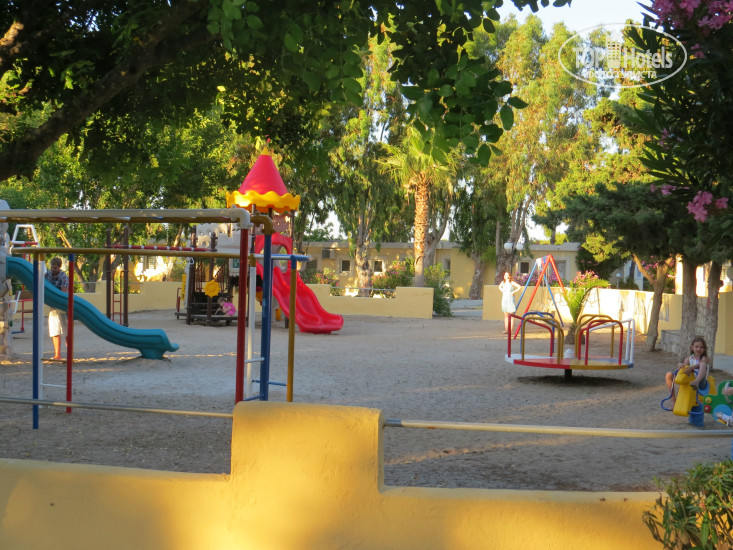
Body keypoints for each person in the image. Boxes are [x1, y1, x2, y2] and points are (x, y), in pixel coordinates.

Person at [665, 336, 710, 403]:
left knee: (703, 364)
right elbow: (684, 370)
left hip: (701, 382)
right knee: (668, 375)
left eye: (701, 347)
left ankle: (696, 382)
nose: (698, 349)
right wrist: (680, 365)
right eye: (696, 347)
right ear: (692, 347)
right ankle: (673, 400)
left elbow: (701, 364)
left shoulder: (704, 357)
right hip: (689, 380)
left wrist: (692, 368)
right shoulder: (688, 359)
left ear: (704, 349)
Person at [44, 256, 68, 360]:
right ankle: (57, 354)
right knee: (54, 331)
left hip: (61, 305)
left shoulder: (63, 276)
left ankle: (69, 353)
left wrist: (56, 298)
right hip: (53, 307)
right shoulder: (48, 274)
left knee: (65, 331)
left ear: (59, 267)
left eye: (55, 268)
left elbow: (64, 292)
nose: (53, 270)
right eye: (52, 267)